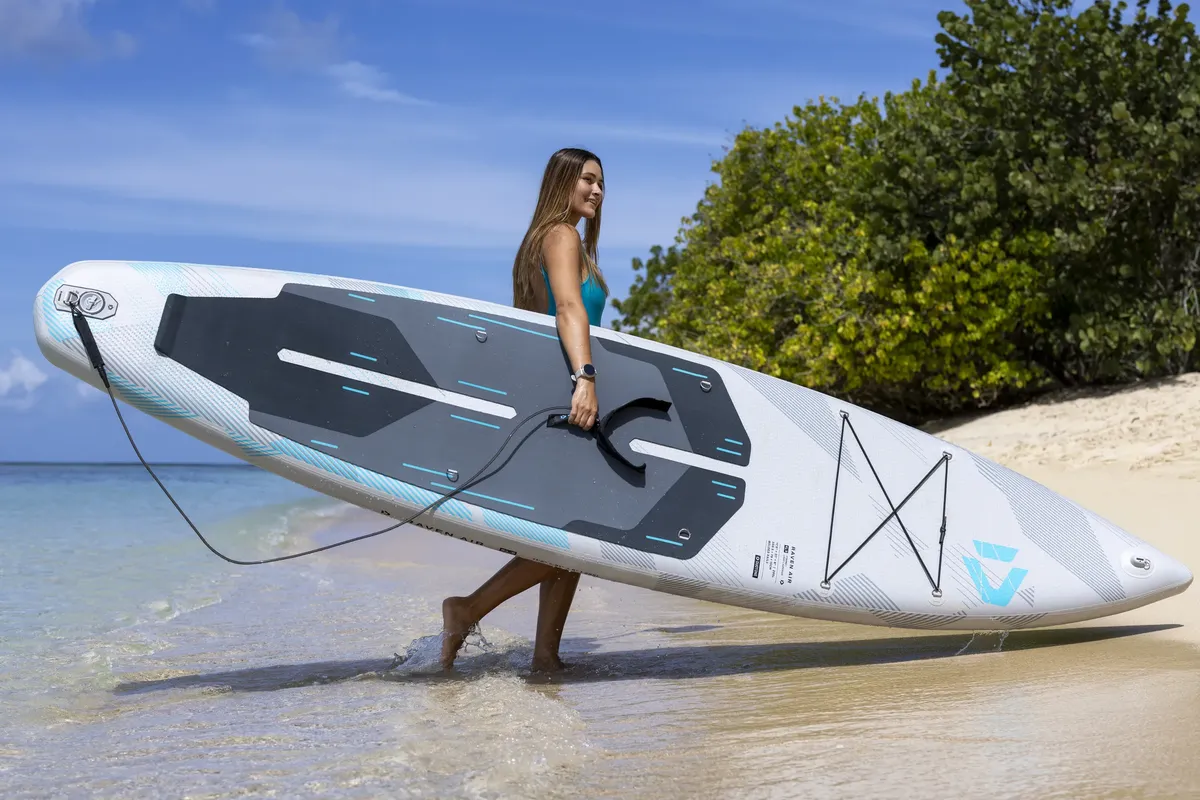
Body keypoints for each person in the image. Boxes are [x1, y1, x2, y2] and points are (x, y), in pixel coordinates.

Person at [439, 147, 609, 674]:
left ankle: (545, 656)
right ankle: (468, 609)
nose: (597, 191)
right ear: (563, 182)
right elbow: (568, 308)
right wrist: (585, 378)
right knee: (576, 537)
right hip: (567, 395)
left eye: (601, 183)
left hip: (551, 397)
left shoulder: (539, 241)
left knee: (569, 532)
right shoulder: (561, 236)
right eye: (587, 179)